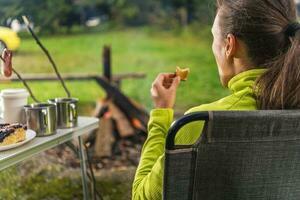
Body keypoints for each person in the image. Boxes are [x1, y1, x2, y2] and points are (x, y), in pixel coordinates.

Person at [132, 0, 300, 199]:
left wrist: (161, 112)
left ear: (229, 45)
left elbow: (142, 195)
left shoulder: (200, 125)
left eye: (214, 37)